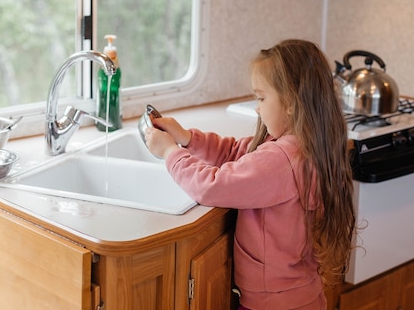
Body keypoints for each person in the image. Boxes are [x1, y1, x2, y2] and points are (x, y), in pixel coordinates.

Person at [144, 39, 356, 310]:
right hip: (301, 296)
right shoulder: (306, 144)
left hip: (273, 304)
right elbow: (235, 151)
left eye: (261, 97)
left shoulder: (280, 160)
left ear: (290, 102)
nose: (257, 107)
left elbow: (212, 186)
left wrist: (170, 153)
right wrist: (187, 138)